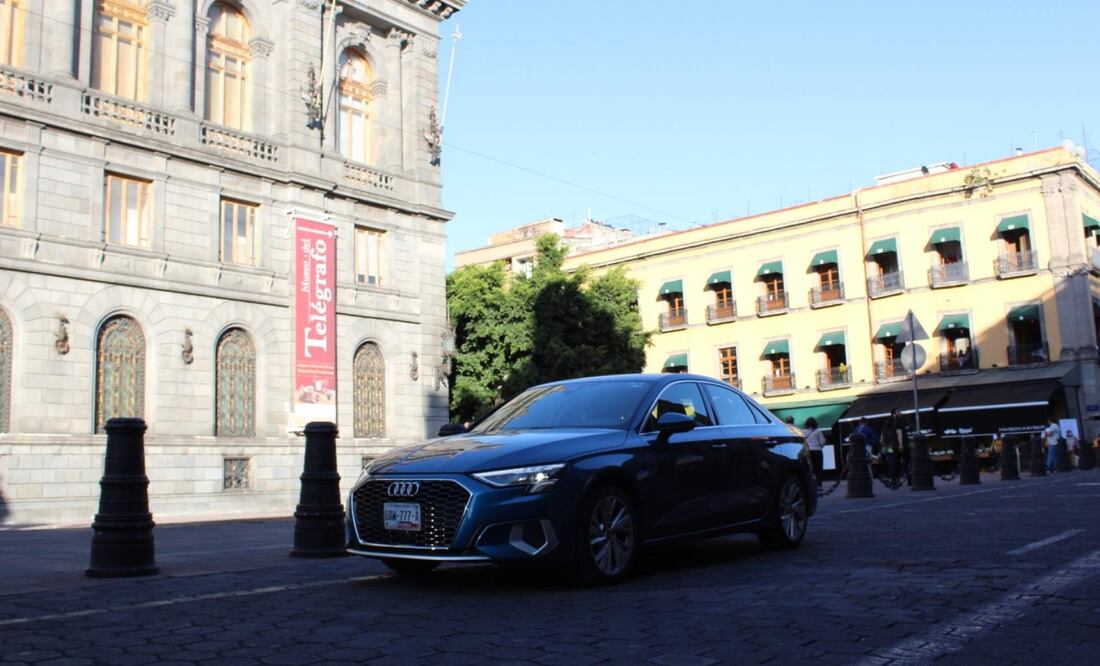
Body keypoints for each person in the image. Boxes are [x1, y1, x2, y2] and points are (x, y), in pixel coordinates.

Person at [881, 409, 905, 484]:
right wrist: (901, 444)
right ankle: (891, 477)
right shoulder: (897, 422)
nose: (900, 413)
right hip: (895, 445)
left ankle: (892, 478)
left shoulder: (887, 422)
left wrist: (883, 444)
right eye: (898, 412)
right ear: (894, 414)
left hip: (887, 446)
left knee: (892, 461)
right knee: (896, 462)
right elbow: (899, 434)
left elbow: (882, 435)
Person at [803, 417, 826, 487]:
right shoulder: (818, 431)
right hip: (817, 451)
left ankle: (812, 485)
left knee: (810, 469)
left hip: (808, 452)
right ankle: (819, 485)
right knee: (819, 468)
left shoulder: (803, 431)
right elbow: (822, 442)